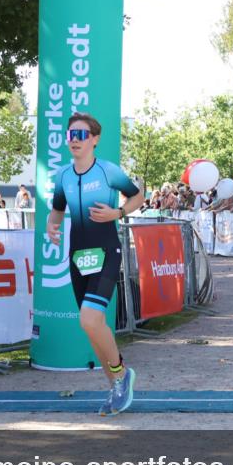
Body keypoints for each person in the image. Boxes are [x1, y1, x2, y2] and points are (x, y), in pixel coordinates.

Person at [47, 112, 144, 417]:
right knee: (94, 327)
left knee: (89, 320)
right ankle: (115, 385)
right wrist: (52, 227)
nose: (74, 140)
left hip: (106, 250)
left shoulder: (107, 171)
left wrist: (118, 213)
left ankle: (122, 373)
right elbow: (57, 210)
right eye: (70, 135)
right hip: (78, 256)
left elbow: (138, 196)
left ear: (94, 139)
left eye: (81, 135)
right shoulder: (63, 175)